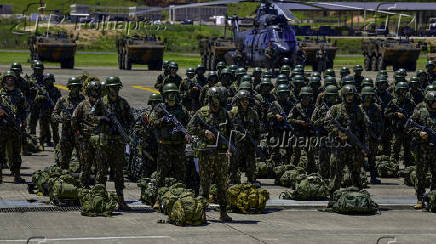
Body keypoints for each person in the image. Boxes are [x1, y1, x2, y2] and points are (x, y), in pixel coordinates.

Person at [187, 87, 233, 222]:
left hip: (221, 153)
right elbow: (190, 127)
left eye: (220, 99)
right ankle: (202, 213)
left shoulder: (225, 113)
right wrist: (204, 132)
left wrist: (229, 148)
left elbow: (231, 132)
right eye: (217, 99)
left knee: (222, 183)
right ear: (211, 98)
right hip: (205, 153)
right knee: (205, 183)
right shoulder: (202, 112)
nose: (218, 102)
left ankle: (223, 212)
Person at [90, 76, 134, 210]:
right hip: (104, 143)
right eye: (112, 88)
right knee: (101, 172)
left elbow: (131, 120)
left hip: (118, 143)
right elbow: (90, 117)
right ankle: (100, 199)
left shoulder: (123, 103)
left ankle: (121, 200)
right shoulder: (100, 103)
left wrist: (123, 128)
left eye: (116, 88)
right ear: (108, 89)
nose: (114, 90)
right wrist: (102, 119)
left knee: (119, 173)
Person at [149, 83, 190, 209]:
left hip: (179, 146)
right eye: (169, 94)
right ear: (165, 95)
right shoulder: (159, 109)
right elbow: (151, 123)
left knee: (181, 173)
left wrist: (187, 133)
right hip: (165, 146)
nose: (171, 96)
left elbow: (190, 124)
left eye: (173, 94)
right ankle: (157, 199)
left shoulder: (182, 110)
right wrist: (163, 121)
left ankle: (181, 197)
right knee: (161, 173)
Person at [326, 85, 366, 200]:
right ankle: (333, 198)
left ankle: (358, 198)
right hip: (339, 147)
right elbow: (327, 123)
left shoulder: (358, 109)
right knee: (336, 172)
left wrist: (362, 146)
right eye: (348, 95)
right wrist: (338, 132)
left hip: (354, 147)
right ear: (343, 96)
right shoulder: (335, 109)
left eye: (352, 95)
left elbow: (363, 127)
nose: (350, 97)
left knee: (356, 172)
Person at [406, 90, 436, 209]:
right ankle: (420, 199)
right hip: (422, 150)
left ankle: (433, 197)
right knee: (421, 175)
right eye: (434, 102)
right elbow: (409, 128)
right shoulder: (420, 111)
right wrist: (419, 133)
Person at [72, 79, 102, 188]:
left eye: (97, 91)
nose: (95, 93)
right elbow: (74, 120)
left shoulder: (103, 106)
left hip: (99, 140)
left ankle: (99, 189)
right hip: (86, 140)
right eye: (93, 91)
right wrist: (78, 134)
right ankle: (83, 187)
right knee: (85, 166)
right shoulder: (82, 105)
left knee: (100, 166)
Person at [0, 71, 27, 183]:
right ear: (4, 81)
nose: (10, 80)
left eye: (12, 79)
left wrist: (21, 121)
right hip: (1, 128)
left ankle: (17, 175)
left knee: (16, 154)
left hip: (15, 129)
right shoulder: (0, 95)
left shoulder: (19, 95)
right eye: (8, 78)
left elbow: (24, 110)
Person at [52, 77, 84, 169]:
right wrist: (62, 119)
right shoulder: (63, 100)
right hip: (66, 133)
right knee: (64, 159)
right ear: (69, 87)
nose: (75, 89)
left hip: (79, 132)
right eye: (73, 87)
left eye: (77, 87)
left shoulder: (83, 100)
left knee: (83, 158)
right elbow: (54, 114)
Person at [229, 90, 260, 184]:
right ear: (239, 101)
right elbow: (228, 128)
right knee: (234, 162)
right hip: (236, 143)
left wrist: (256, 141)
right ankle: (232, 179)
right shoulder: (233, 112)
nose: (245, 102)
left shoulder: (253, 113)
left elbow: (257, 128)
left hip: (249, 143)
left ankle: (251, 179)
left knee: (250, 162)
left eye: (247, 100)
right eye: (243, 100)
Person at [385, 82, 415, 167]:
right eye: (400, 91)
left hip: (408, 130)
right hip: (397, 130)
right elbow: (386, 114)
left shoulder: (411, 102)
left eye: (404, 91)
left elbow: (415, 115)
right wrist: (396, 114)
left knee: (408, 149)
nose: (402, 93)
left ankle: (408, 167)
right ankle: (394, 167)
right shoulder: (393, 102)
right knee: (395, 149)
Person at [360, 86, 383, 184]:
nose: (368, 98)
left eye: (370, 96)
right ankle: (361, 178)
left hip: (372, 137)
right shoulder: (359, 108)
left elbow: (381, 123)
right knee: (360, 159)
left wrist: (377, 132)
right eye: (366, 96)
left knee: (372, 159)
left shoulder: (376, 108)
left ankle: (373, 177)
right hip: (361, 137)